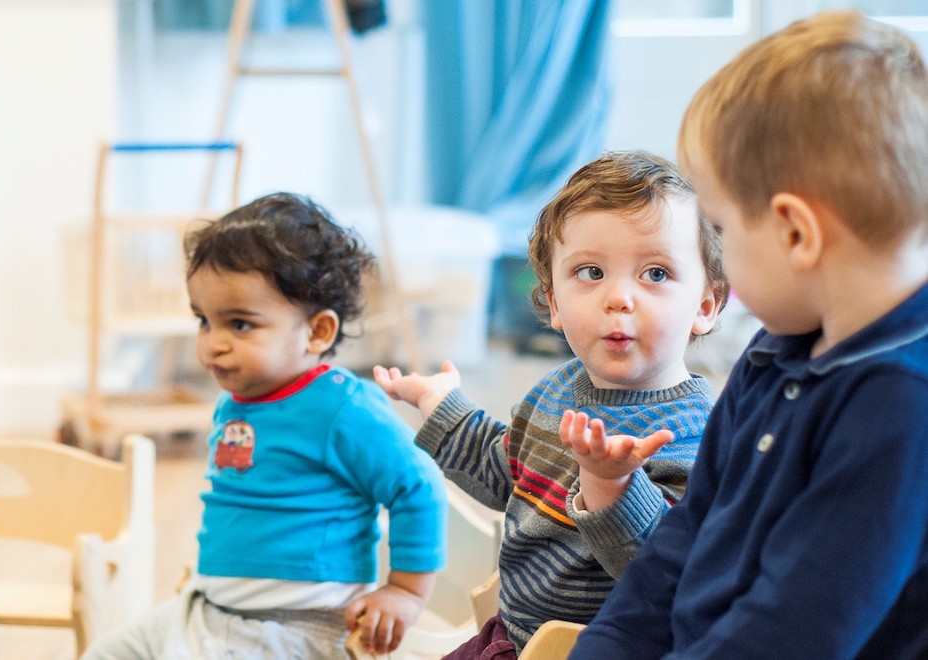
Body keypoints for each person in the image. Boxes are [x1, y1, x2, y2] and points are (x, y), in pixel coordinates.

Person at [570, 11, 928, 659]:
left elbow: (794, 630)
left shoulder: (899, 404)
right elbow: (685, 542)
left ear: (796, 233)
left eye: (722, 229)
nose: (722, 254)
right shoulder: (775, 351)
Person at [374, 149, 729, 658]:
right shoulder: (555, 389)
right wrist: (441, 407)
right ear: (555, 303)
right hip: (510, 634)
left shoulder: (694, 430)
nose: (619, 298)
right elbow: (506, 475)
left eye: (654, 274)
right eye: (590, 272)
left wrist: (611, 484)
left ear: (705, 304)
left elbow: (670, 573)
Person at [84, 192, 447, 659]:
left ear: (317, 332)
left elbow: (418, 485)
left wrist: (405, 591)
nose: (212, 344)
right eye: (204, 321)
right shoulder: (237, 398)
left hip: (294, 628)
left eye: (239, 324)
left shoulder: (343, 408)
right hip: (209, 608)